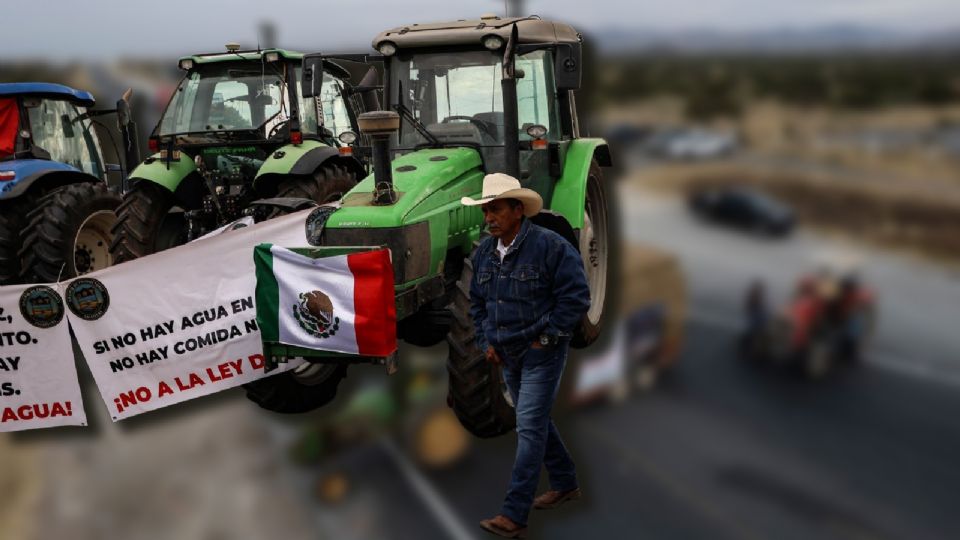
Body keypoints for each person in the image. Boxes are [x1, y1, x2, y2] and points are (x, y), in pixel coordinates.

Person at [461, 173, 591, 538]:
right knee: (533, 421)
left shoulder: (550, 246)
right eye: (486, 210)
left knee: (529, 428)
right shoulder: (485, 252)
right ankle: (565, 482)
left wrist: (548, 340)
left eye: (496, 209)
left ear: (518, 210)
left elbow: (577, 296)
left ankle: (514, 514)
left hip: (540, 355)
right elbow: (477, 304)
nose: (489, 217)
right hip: (506, 353)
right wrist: (487, 340)